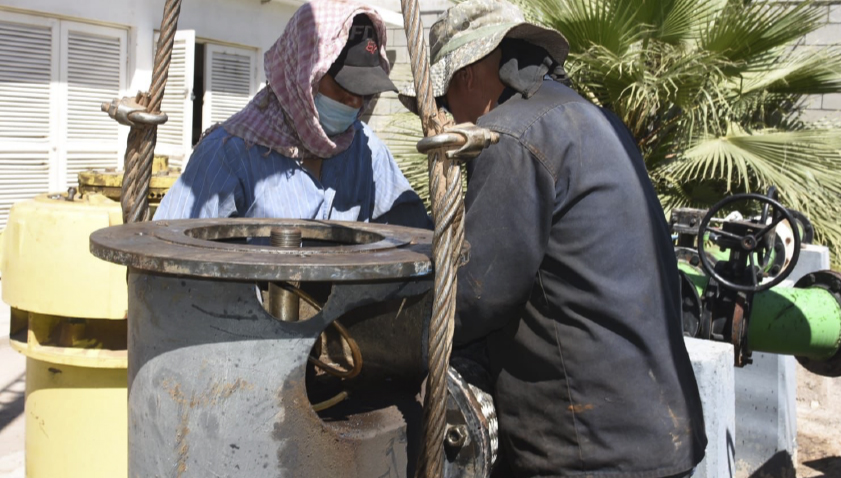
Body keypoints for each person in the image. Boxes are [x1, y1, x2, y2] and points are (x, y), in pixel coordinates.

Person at [401, 1, 707, 477]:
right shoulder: (595, 122)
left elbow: (473, 299)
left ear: (464, 78)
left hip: (588, 452)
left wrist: (373, 342)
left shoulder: (513, 138)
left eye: (442, 103)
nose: (444, 117)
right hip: (657, 437)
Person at [154, 0, 430, 230]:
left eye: (363, 91)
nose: (354, 101)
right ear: (303, 75)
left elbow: (410, 229)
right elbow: (169, 252)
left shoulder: (366, 150)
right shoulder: (230, 155)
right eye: (344, 85)